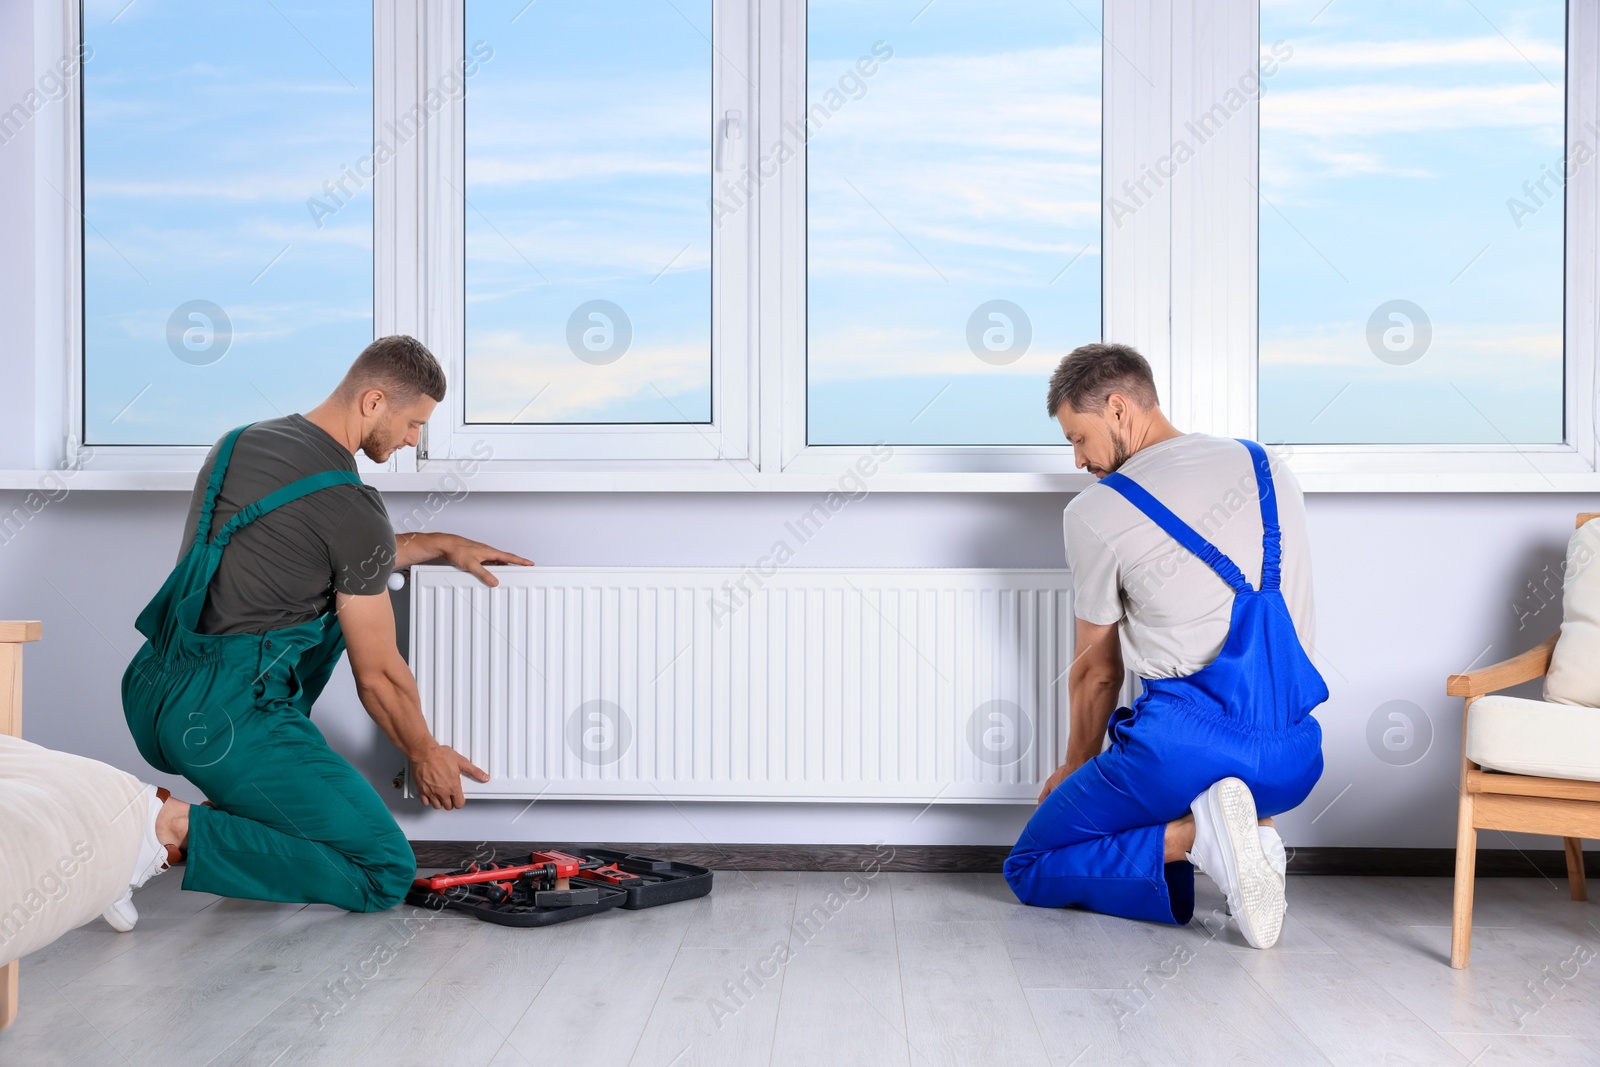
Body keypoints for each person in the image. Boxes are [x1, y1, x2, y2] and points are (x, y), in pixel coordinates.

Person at [116, 335, 531, 924]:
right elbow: (380, 677)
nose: (414, 440)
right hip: (231, 719)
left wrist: (438, 544)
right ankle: (171, 825)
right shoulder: (355, 509)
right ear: (373, 401)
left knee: (294, 812)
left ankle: (205, 820)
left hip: (156, 691)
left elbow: (301, 551)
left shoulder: (239, 443)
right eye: (413, 424)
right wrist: (423, 751)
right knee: (382, 871)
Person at [1004, 342, 1327, 948]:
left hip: (1182, 751)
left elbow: (1097, 672)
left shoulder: (1096, 511)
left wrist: (1075, 768)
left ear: (1119, 410)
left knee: (1029, 864)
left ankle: (1197, 837)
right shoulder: (1268, 468)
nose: (1078, 460)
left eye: (1078, 438)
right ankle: (1252, 832)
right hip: (1293, 757)